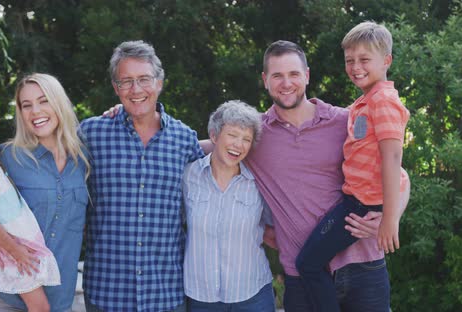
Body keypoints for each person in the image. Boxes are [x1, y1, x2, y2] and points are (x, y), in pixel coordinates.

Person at [238, 40, 410, 312]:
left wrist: (390, 218)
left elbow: (399, 174)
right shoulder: (253, 134)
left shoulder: (345, 120)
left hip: (363, 266)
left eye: (294, 74)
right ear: (265, 80)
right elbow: (210, 148)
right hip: (301, 278)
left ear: (306, 75)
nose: (286, 83)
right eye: (277, 75)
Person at [80, 40, 204, 312]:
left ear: (159, 82)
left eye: (144, 79)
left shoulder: (184, 139)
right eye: (126, 81)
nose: (136, 90)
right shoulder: (90, 134)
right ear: (116, 88)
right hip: (107, 291)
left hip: (166, 292)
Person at [294, 22, 410, 312]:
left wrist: (390, 219)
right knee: (310, 262)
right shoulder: (364, 102)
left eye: (364, 59)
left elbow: (393, 159)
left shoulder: (383, 101)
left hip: (360, 205)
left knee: (306, 264)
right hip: (354, 200)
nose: (355, 67)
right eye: (349, 60)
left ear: (387, 61)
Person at [0, 74, 90, 312]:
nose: (35, 111)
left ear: (59, 103)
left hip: (58, 300)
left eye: (44, 101)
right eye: (26, 105)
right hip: (5, 297)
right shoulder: (6, 157)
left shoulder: (85, 159)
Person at [183, 100, 275, 312]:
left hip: (252, 295)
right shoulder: (187, 176)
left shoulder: (258, 183)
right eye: (232, 135)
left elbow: (273, 228)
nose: (238, 144)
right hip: (200, 296)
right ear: (214, 136)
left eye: (246, 139)